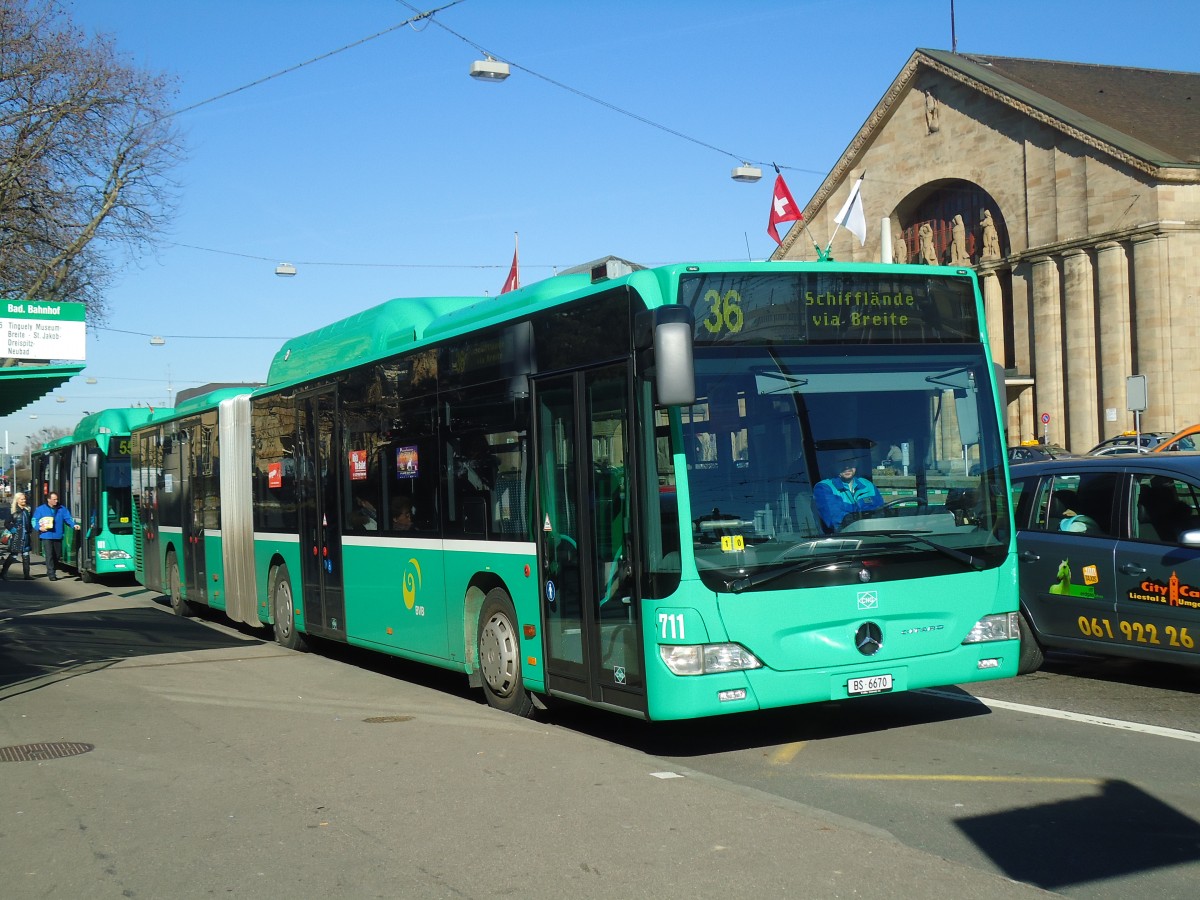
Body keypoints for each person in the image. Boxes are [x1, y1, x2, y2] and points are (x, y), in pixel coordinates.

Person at [814, 458, 884, 532]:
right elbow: (836, 519)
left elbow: (881, 511)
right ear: (834, 464)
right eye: (842, 462)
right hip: (844, 536)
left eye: (850, 461)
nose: (847, 466)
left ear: (856, 463)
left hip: (874, 533)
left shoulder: (868, 485)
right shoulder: (824, 487)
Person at [32, 492, 79, 581]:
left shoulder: (62, 509)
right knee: (49, 554)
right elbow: (34, 520)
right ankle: (51, 573)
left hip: (58, 535)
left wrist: (74, 525)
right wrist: (39, 528)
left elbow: (68, 518)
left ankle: (52, 569)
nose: (56, 501)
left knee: (57, 555)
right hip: (46, 535)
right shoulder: (40, 509)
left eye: (57, 499)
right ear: (48, 499)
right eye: (54, 499)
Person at [1, 491, 34, 580]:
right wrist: (14, 530)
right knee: (14, 555)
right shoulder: (13, 510)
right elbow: (7, 523)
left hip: (26, 535)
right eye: (22, 499)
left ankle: (26, 575)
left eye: (24, 499)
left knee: (26, 554)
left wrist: (30, 530)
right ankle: (3, 573)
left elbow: (30, 522)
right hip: (17, 536)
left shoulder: (27, 510)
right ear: (17, 500)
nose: (24, 500)